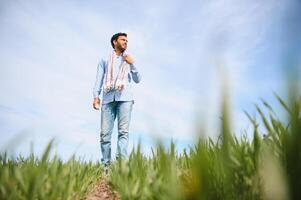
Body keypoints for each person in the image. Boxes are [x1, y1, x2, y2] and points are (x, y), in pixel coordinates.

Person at [92, 32, 141, 174]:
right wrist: (96, 96)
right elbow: (99, 79)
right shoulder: (104, 59)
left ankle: (121, 167)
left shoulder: (128, 59)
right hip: (107, 99)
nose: (126, 42)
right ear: (115, 42)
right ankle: (106, 167)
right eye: (123, 40)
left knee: (123, 133)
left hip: (125, 99)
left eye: (127, 40)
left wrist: (133, 65)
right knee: (104, 135)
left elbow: (138, 79)